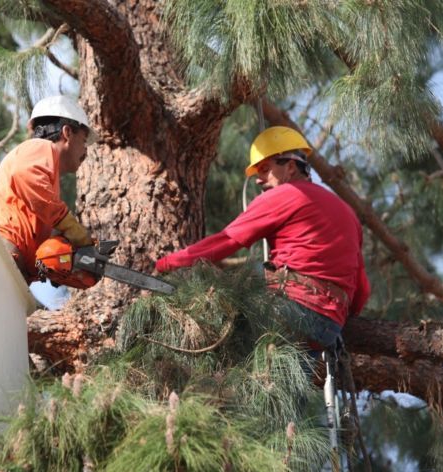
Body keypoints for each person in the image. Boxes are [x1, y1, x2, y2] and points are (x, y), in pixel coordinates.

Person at [155, 126, 370, 352]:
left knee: (220, 336)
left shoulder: (285, 195)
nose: (259, 180)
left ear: (290, 167)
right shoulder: (348, 213)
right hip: (329, 326)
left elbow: (226, 241)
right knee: (286, 385)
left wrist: (168, 263)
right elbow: (362, 288)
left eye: (265, 169)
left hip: (289, 308)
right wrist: (340, 317)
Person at [0, 95, 97, 284]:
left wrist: (59, 260)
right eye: (84, 141)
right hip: (4, 247)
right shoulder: (41, 147)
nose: (86, 151)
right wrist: (69, 225)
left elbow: (35, 224)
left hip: (13, 256)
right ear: (67, 132)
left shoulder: (47, 180)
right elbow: (25, 174)